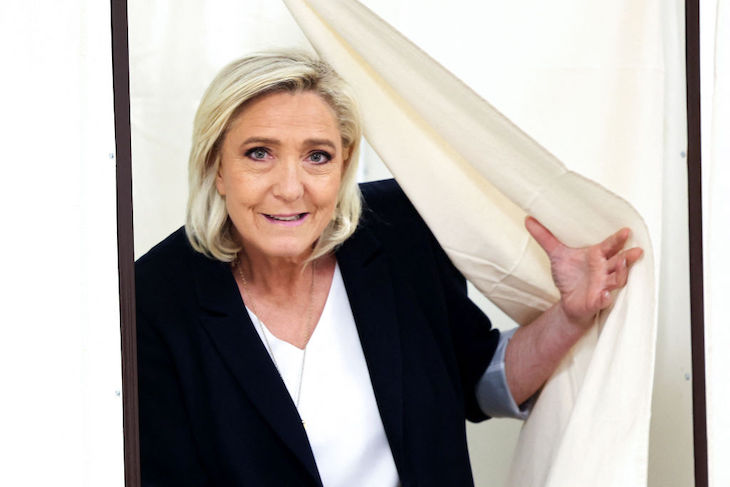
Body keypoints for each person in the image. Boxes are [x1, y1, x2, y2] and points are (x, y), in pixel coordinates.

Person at [135, 51, 643, 486]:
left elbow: (476, 381)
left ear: (344, 163)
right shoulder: (154, 297)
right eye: (259, 153)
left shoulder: (402, 230)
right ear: (217, 168)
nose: (290, 188)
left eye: (317, 156)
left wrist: (570, 316)